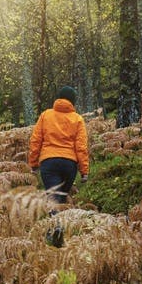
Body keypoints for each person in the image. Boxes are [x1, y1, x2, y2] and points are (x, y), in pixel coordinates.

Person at [28, 86, 90, 246]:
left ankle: (55, 234)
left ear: (58, 98)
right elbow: (81, 147)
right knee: (61, 197)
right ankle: (58, 236)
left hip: (49, 162)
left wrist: (33, 164)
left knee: (53, 198)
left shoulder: (46, 115)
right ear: (73, 101)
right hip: (69, 164)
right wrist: (84, 171)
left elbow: (36, 141)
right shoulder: (77, 119)